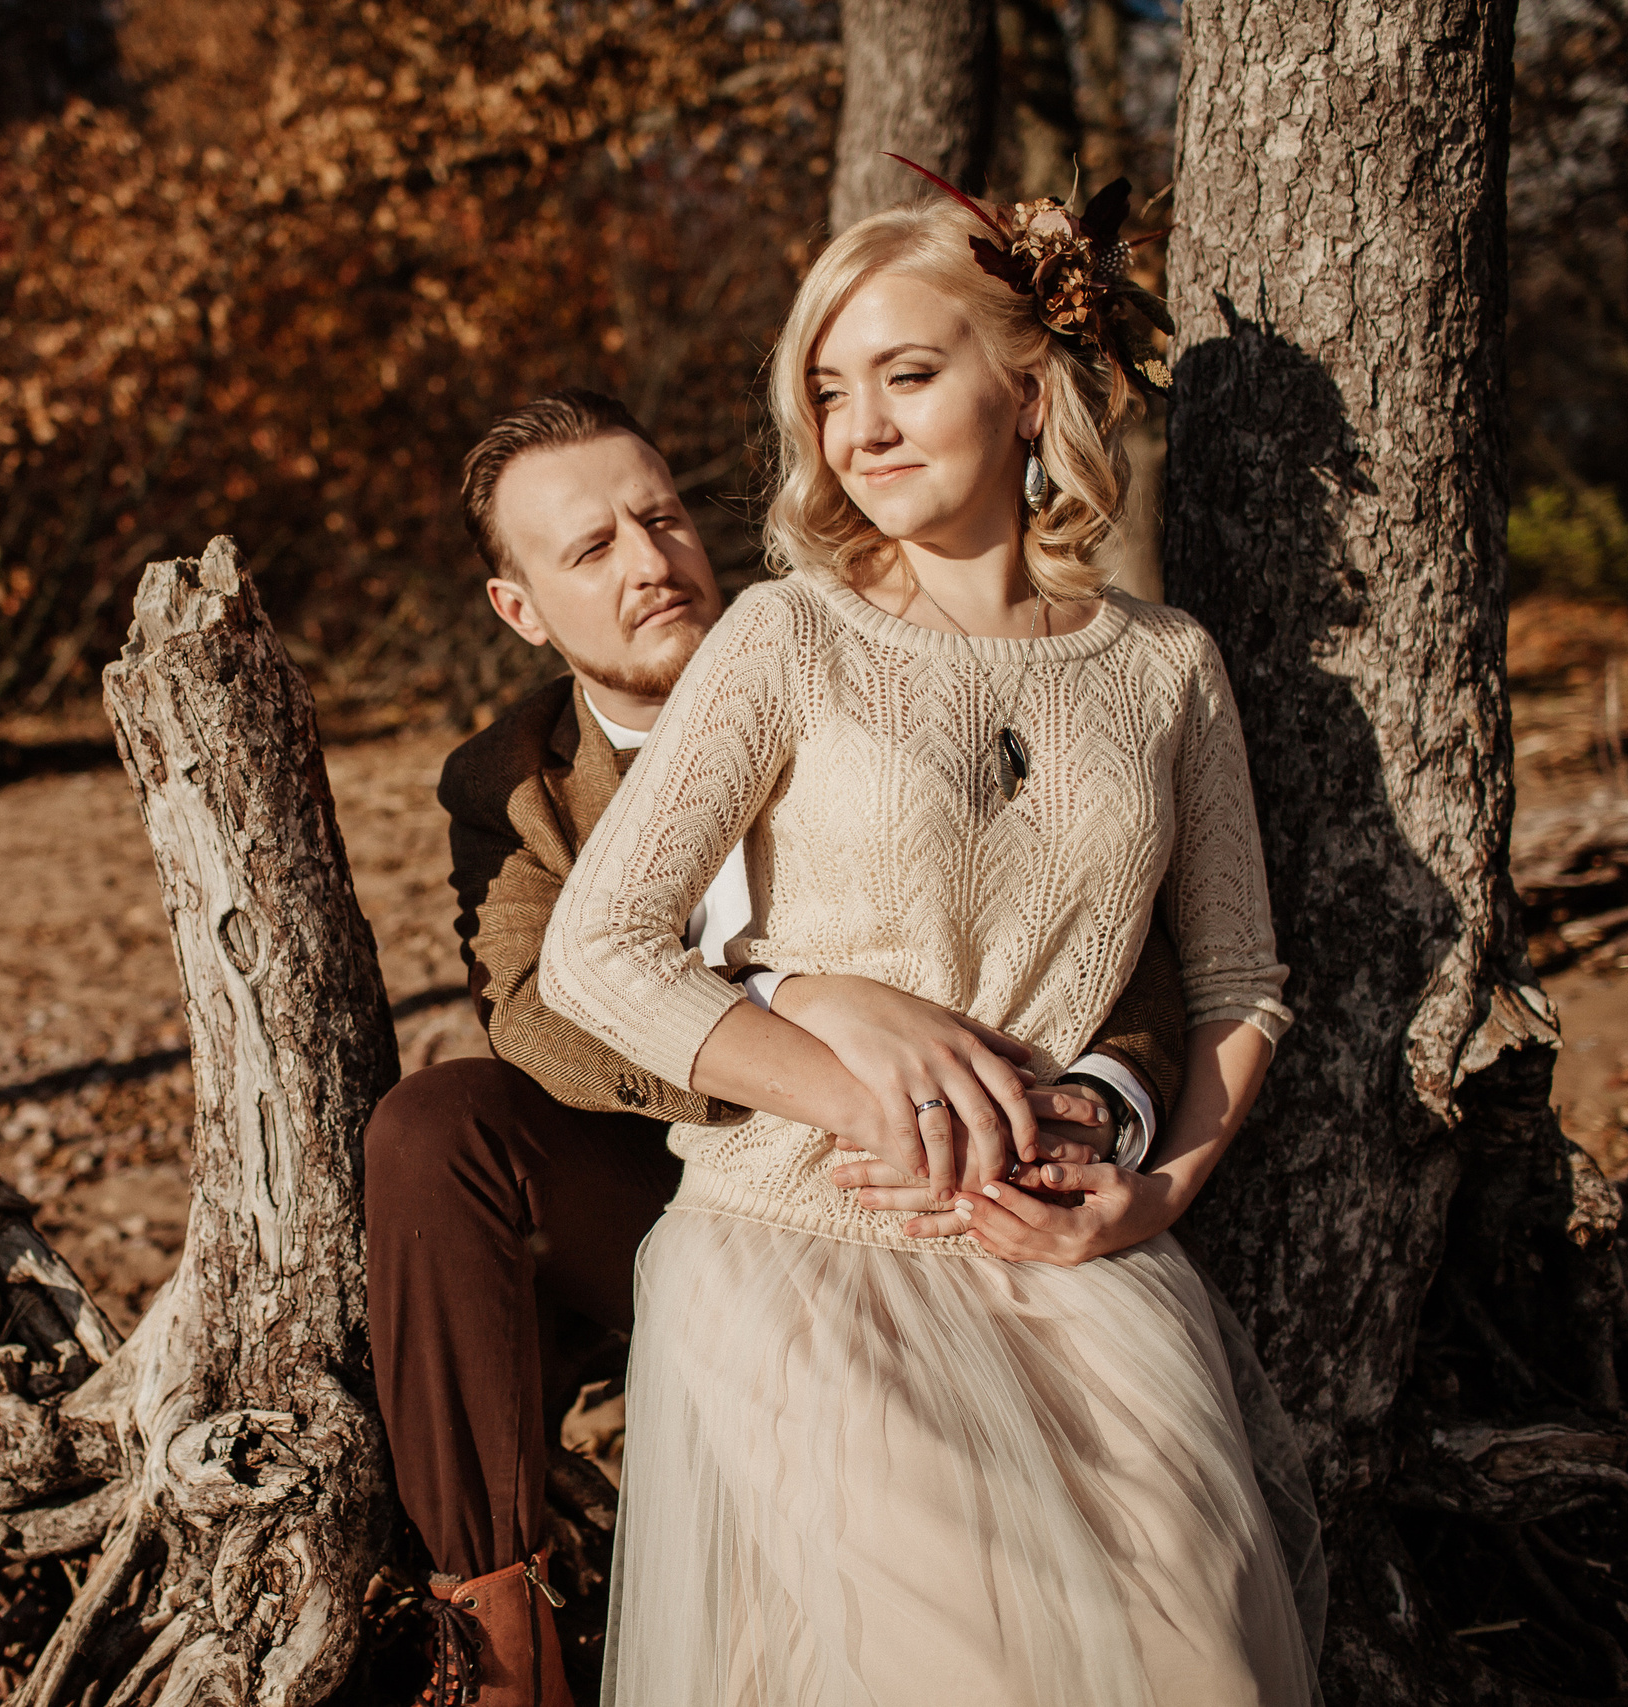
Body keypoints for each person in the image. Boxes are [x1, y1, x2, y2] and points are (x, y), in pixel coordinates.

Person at [536, 186, 1323, 1704]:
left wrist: (1155, 1194)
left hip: (1076, 1268)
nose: (861, 430)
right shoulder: (785, 634)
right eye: (829, 392)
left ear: (1028, 393)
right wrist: (863, 1096)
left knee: (1198, 1670)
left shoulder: (1167, 667)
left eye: (907, 375)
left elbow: (1240, 983)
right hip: (807, 1252)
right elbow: (601, 950)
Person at [365, 388, 1201, 1706]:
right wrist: (787, 997)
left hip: (954, 1173)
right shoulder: (512, 773)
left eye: (663, 516)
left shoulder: (882, 665)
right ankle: (501, 1640)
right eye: (591, 550)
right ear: (519, 609)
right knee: (436, 1129)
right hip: (687, 1174)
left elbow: (1107, 911)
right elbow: (536, 1006)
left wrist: (1101, 1099)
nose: (651, 561)